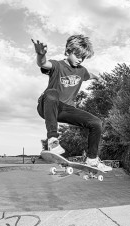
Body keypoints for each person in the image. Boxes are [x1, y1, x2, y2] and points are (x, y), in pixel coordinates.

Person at [32, 35, 112, 172]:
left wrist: (98, 78)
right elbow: (43, 63)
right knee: (52, 93)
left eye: (83, 57)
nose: (80, 59)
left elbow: (89, 75)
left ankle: (92, 159)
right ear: (68, 51)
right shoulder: (57, 65)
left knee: (96, 123)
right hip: (47, 105)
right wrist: (40, 55)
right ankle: (52, 140)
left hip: (65, 110)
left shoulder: (82, 70)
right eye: (77, 55)